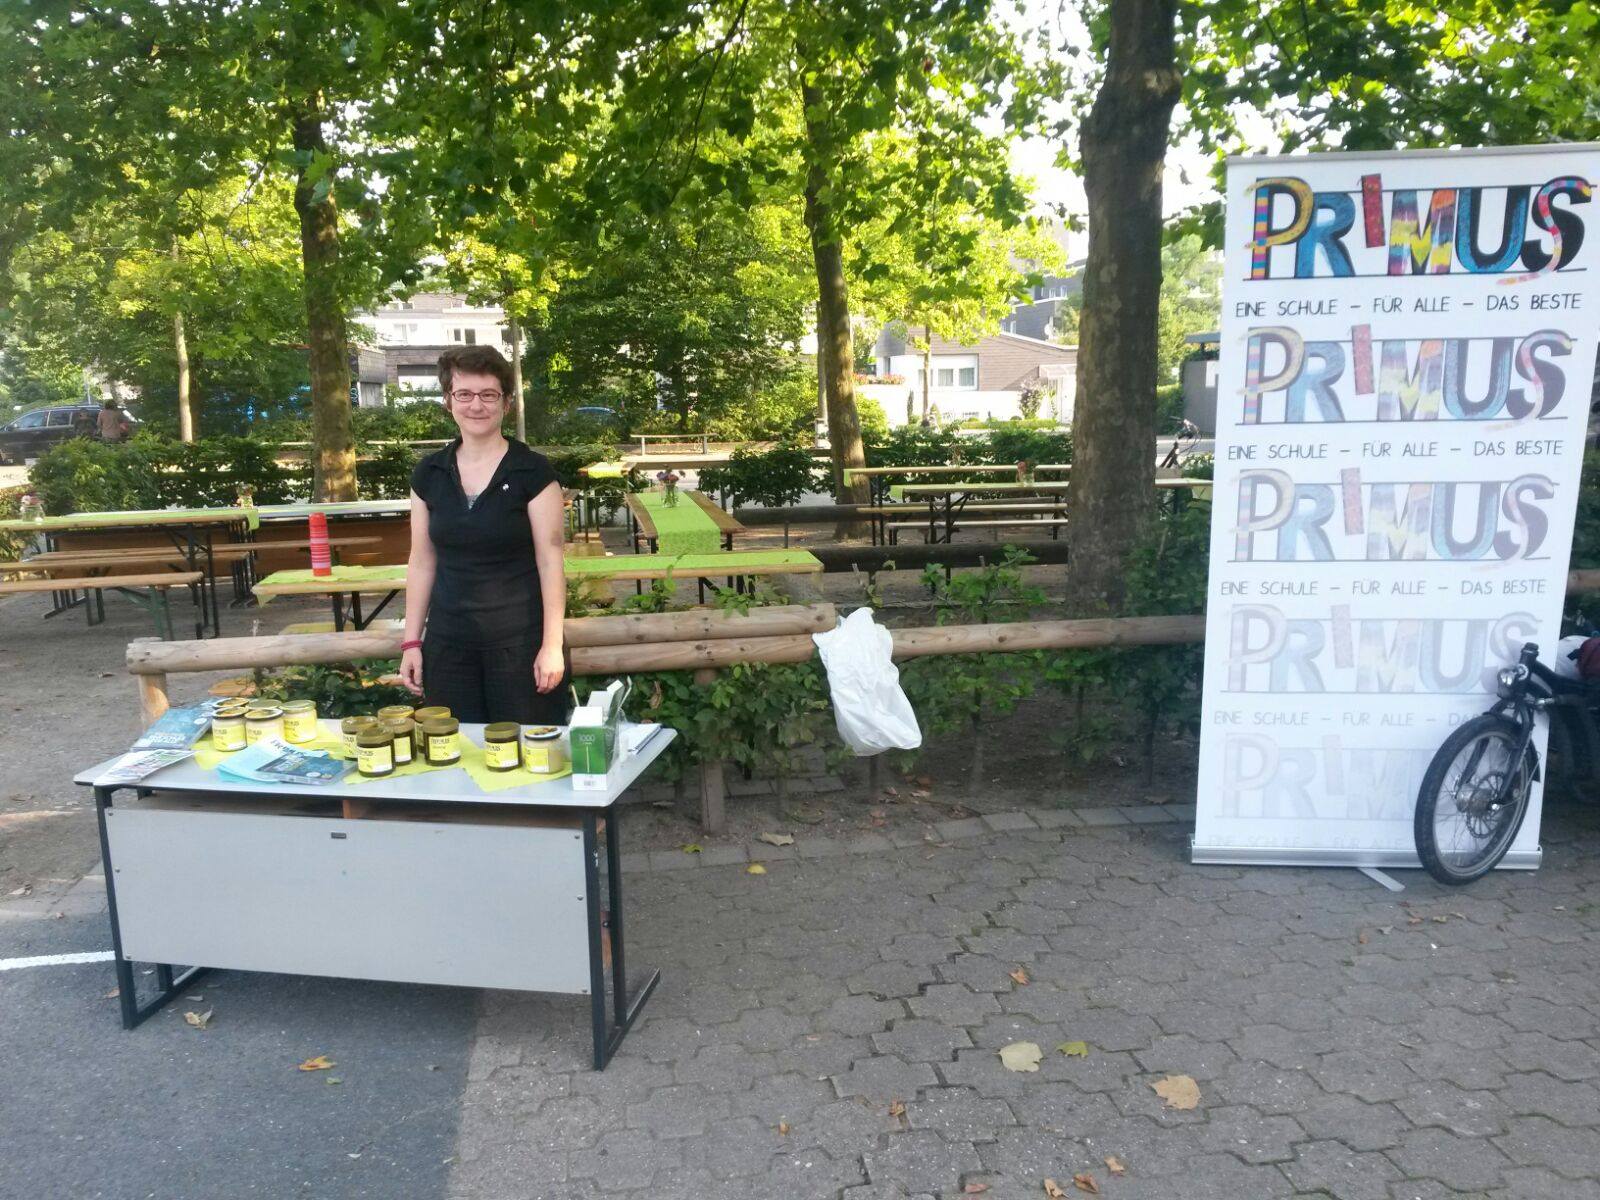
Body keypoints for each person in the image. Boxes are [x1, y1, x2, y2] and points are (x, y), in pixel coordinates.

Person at [398, 345, 569, 724]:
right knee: (456, 758)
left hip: (521, 646)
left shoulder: (533, 473)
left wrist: (552, 645)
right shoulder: (429, 474)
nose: (477, 405)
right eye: (465, 394)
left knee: (530, 761)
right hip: (448, 648)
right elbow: (422, 561)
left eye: (489, 394)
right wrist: (412, 642)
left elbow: (550, 560)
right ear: (448, 401)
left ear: (506, 403)